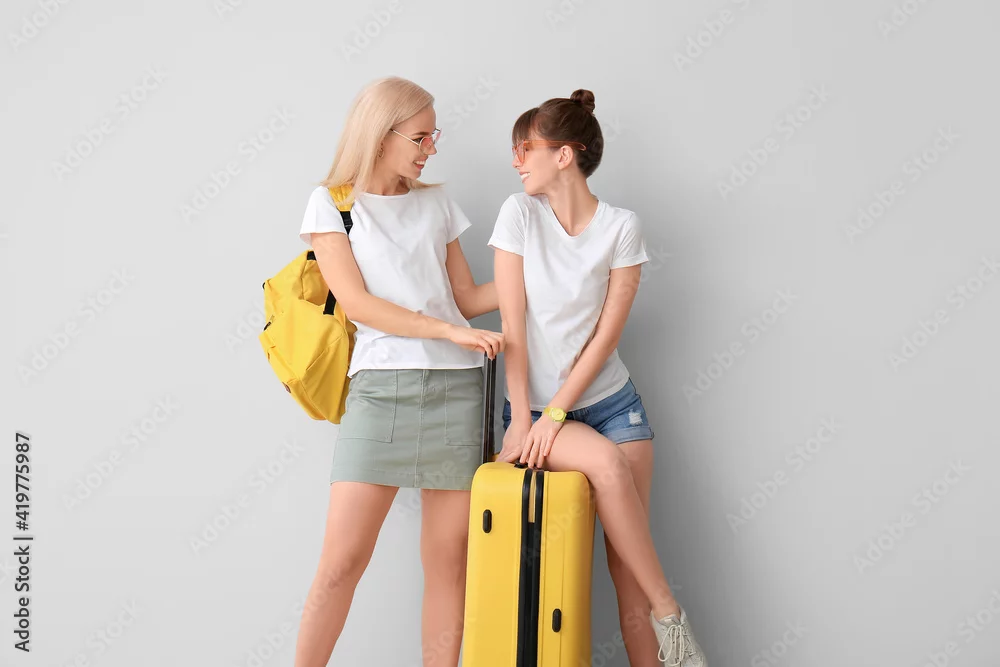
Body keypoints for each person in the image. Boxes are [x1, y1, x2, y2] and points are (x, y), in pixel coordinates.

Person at [488, 89, 708, 667]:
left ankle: (663, 639)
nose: (516, 160)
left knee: (627, 567)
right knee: (606, 467)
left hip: (612, 404)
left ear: (564, 155)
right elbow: (511, 323)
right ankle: (672, 615)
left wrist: (557, 411)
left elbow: (607, 336)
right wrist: (523, 416)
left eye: (526, 148)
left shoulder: (621, 227)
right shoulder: (518, 214)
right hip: (535, 408)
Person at [292, 76, 504, 667]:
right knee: (341, 564)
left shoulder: (437, 204)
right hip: (381, 392)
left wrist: (538, 274)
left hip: (459, 391)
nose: (431, 147)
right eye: (420, 136)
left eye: (434, 135)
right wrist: (447, 331)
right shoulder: (332, 204)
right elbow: (358, 304)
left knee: (449, 564)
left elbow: (466, 298)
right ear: (380, 135)